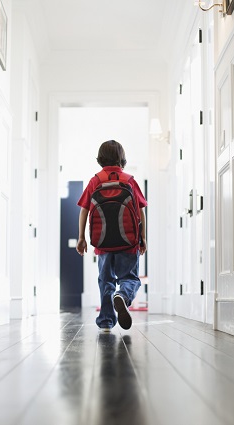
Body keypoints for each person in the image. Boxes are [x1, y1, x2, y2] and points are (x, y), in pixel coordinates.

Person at [76, 140, 147, 331]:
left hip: (103, 243)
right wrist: (143, 238)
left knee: (105, 280)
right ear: (122, 158)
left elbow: (84, 210)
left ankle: (106, 322)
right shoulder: (129, 180)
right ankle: (122, 296)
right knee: (130, 278)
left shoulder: (95, 181)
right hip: (128, 242)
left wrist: (81, 238)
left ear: (100, 158)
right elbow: (140, 211)